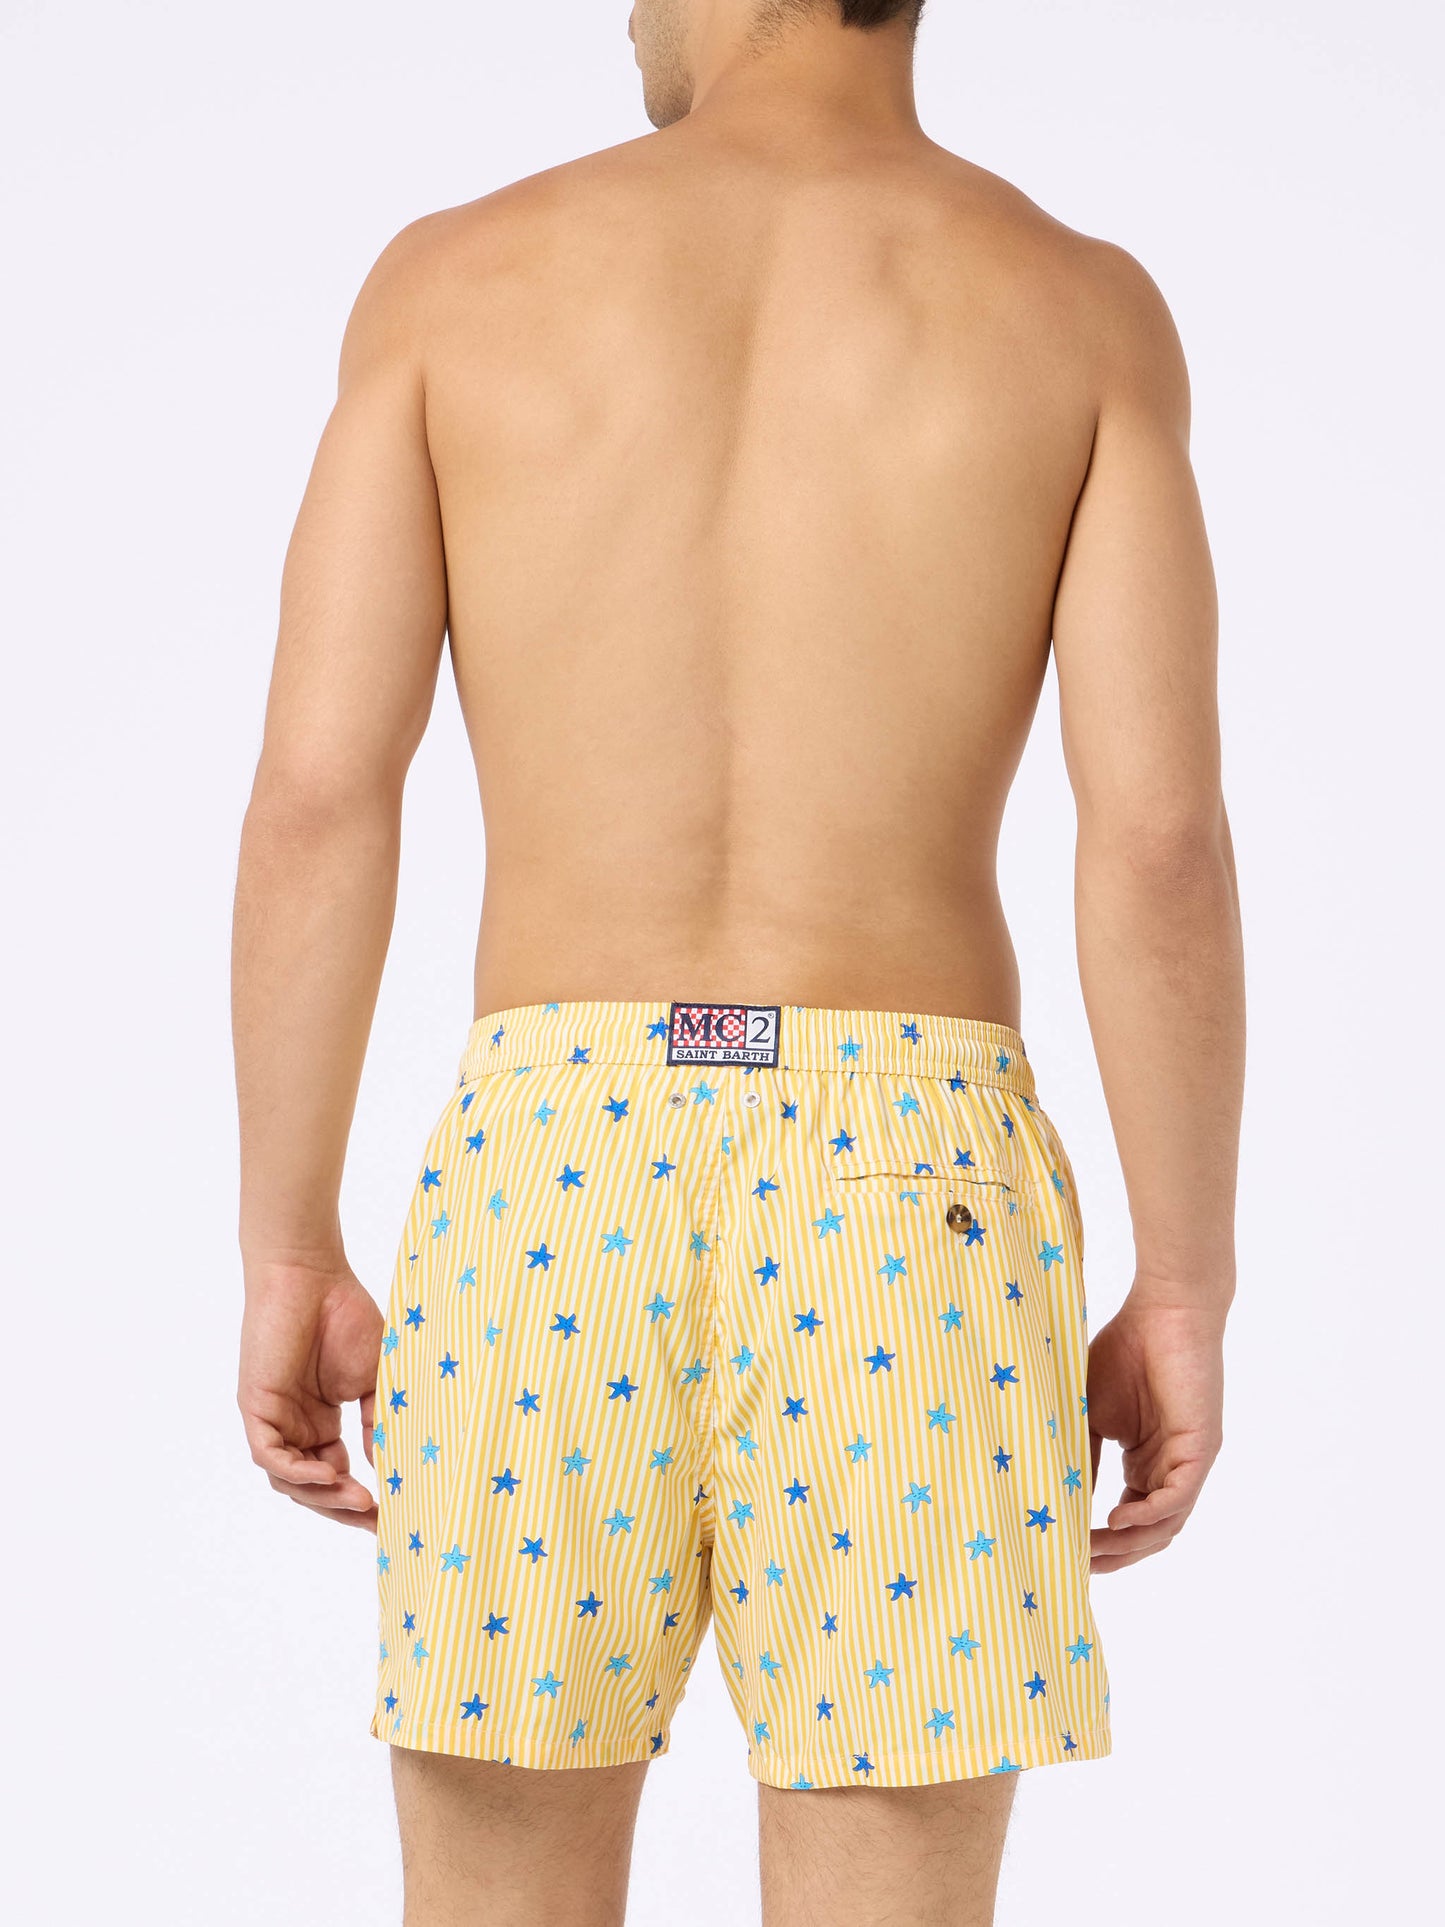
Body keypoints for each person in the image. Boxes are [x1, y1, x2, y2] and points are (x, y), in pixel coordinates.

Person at [231, 1, 1244, 1920]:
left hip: (553, 1168)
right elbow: (1157, 846)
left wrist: (289, 1245)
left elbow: (316, 799)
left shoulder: (454, 285)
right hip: (913, 1182)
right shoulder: (1076, 310)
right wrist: (1180, 1281)